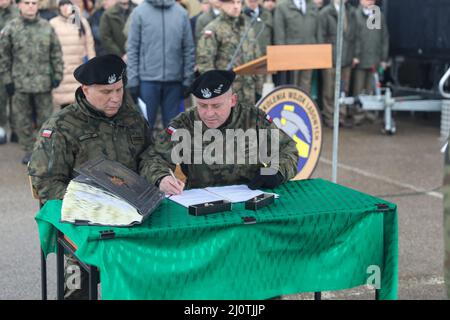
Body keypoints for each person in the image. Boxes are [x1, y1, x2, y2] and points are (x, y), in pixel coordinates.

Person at [28, 55, 150, 300]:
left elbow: (148, 157)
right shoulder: (62, 125)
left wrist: (157, 179)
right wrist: (89, 203)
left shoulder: (132, 118)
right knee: (77, 286)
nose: (115, 97)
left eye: (119, 89)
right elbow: (46, 182)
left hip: (132, 217)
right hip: (84, 221)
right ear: (85, 89)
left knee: (160, 260)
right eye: (106, 92)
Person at [139, 69, 299, 195]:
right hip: (201, 203)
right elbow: (152, 158)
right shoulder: (185, 123)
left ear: (232, 100)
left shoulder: (253, 118)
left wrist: (276, 172)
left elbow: (287, 149)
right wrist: (161, 178)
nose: (209, 113)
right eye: (202, 105)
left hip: (249, 198)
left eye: (216, 106)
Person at [0, 0, 64, 164]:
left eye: (34, 3)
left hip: (43, 83)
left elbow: (56, 52)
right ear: (19, 5)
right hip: (19, 84)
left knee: (47, 120)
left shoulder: (47, 27)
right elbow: (4, 57)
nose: (30, 6)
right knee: (23, 120)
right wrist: (7, 80)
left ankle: (44, 149)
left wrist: (57, 74)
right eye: (26, 2)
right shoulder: (11, 28)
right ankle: (29, 150)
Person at [126, 0, 195, 130]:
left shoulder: (181, 13)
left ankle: (170, 151)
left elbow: (188, 49)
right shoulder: (139, 12)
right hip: (147, 81)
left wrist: (188, 79)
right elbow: (133, 48)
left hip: (174, 82)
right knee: (144, 127)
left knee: (173, 128)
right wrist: (133, 80)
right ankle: (145, 151)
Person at [196, 0, 263, 107]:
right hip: (227, 94)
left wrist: (259, 89)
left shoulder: (248, 28)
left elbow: (257, 59)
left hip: (249, 93)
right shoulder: (213, 29)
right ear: (222, 4)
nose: (236, 6)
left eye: (238, 2)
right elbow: (205, 63)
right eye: (231, 2)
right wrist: (216, 90)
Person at [50, 0, 96, 109]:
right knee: (64, 106)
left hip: (78, 69)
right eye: (63, 5)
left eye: (68, 4)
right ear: (58, 7)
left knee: (80, 103)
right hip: (62, 71)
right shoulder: (53, 23)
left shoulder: (80, 22)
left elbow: (89, 45)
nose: (66, 7)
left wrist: (92, 66)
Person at [319, 0, 355, 128]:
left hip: (346, 59)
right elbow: (321, 37)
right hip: (330, 59)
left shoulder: (351, 12)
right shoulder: (325, 13)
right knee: (329, 91)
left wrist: (354, 55)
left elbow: (354, 35)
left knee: (343, 90)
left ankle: (341, 116)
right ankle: (329, 118)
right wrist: (324, 57)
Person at [352, 0, 389, 123]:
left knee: (371, 88)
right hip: (360, 59)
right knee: (358, 88)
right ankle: (358, 114)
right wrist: (355, 55)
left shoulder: (378, 15)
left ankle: (368, 112)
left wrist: (384, 58)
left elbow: (384, 37)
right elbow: (353, 37)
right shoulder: (355, 15)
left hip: (374, 59)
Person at [273, 0, 321, 93]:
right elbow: (279, 35)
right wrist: (282, 56)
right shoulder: (282, 7)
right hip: (290, 57)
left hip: (309, 54)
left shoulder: (312, 6)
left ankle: (303, 107)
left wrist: (317, 51)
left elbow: (318, 31)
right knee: (291, 88)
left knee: (306, 86)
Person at [0, 0, 19, 144]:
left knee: (16, 98)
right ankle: (1, 129)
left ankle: (15, 129)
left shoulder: (17, 12)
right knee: (1, 98)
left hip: (15, 62)